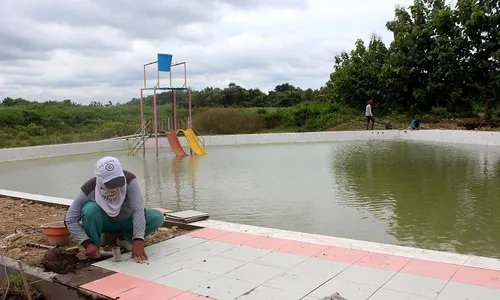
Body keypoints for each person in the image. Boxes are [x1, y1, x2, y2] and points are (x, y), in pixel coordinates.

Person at [64, 156, 165, 263]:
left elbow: (138, 210)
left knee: (157, 217)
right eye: (110, 184)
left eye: (118, 182)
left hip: (126, 219)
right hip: (106, 222)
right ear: (100, 180)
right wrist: (87, 243)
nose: (115, 187)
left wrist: (138, 239)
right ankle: (96, 244)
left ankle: (124, 239)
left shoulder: (130, 180)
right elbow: (70, 219)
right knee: (90, 210)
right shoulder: (89, 188)